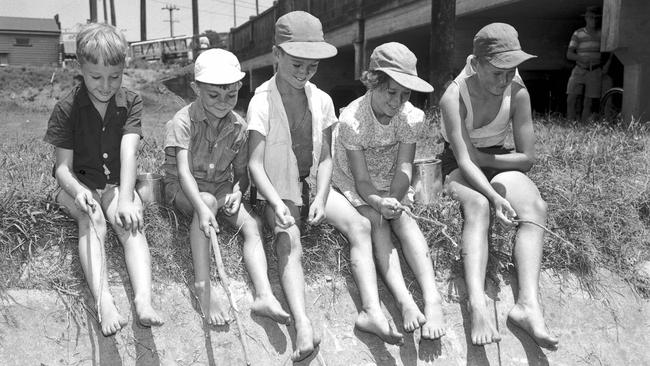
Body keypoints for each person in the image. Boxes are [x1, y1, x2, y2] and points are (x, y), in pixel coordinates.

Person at [247, 11, 404, 361]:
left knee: (361, 224)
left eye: (312, 67)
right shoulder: (261, 101)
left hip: (310, 186)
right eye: (297, 65)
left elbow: (326, 159)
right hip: (276, 190)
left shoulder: (322, 100)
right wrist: (276, 203)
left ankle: (371, 311)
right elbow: (254, 165)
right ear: (277, 55)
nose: (304, 74)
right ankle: (303, 323)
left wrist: (320, 195)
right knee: (289, 239)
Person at [438, 23, 559, 349]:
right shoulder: (455, 95)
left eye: (511, 70)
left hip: (495, 159)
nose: (505, 79)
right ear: (475, 64)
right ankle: (477, 303)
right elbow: (465, 160)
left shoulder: (518, 91)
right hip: (459, 163)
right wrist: (493, 196)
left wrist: (487, 160)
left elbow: (527, 157)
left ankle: (528, 306)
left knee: (535, 207)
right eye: (496, 72)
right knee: (478, 207)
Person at [43, 23, 163, 336]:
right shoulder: (67, 108)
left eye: (115, 77)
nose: (106, 85)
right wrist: (78, 192)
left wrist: (125, 197)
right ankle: (103, 300)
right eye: (96, 77)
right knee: (92, 218)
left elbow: (128, 153)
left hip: (113, 184)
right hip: (77, 185)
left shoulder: (131, 102)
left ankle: (143, 301)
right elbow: (61, 169)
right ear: (80, 68)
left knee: (129, 223)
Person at [163, 49, 290, 327]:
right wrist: (201, 205)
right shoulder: (182, 121)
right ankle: (203, 287)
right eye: (214, 95)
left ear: (238, 89)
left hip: (220, 190)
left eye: (230, 95)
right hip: (184, 190)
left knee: (253, 225)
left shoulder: (239, 127)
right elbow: (183, 171)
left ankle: (264, 295)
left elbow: (242, 174)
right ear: (196, 88)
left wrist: (236, 191)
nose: (223, 102)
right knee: (206, 201)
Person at [332, 42, 446, 341]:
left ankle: (432, 298)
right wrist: (379, 202)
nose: (397, 102)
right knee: (377, 224)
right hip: (360, 183)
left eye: (405, 94)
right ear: (373, 83)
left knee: (406, 220)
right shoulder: (353, 120)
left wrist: (395, 197)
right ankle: (404, 300)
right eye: (391, 92)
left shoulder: (409, 117)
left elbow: (405, 165)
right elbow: (360, 179)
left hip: (392, 180)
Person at [566, 6, 611, 122]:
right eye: (591, 18)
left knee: (589, 101)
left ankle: (584, 125)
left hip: (595, 70)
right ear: (586, 18)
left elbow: (610, 52)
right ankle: (570, 123)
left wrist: (606, 66)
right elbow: (569, 54)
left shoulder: (601, 35)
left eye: (596, 18)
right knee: (571, 97)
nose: (593, 20)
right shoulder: (578, 33)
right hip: (579, 69)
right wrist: (581, 58)